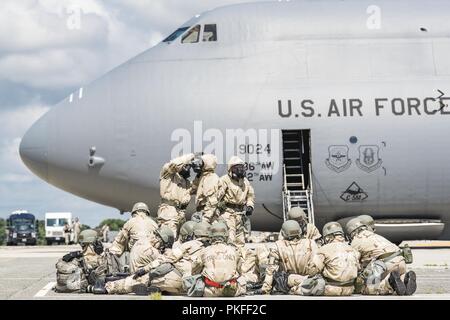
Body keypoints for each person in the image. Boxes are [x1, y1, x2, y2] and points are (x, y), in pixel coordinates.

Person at [346, 218, 417, 296]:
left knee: (369, 289)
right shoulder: (376, 235)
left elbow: (354, 264)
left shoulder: (356, 241)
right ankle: (405, 279)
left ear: (351, 232)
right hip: (401, 261)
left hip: (386, 263)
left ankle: (389, 283)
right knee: (397, 278)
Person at [97, 227, 174, 295]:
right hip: (141, 276)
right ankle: (109, 287)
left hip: (135, 272)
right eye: (163, 244)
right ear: (161, 238)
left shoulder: (141, 241)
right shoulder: (152, 251)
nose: (162, 247)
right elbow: (161, 262)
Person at [261, 220, 318, 295]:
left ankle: (295, 289)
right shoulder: (311, 243)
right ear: (300, 231)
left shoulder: (278, 245)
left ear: (283, 233)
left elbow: (271, 269)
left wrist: (266, 288)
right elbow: (317, 264)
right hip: (309, 280)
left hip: (288, 281)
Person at [307, 222, 360, 296]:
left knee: (305, 284)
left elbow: (312, 271)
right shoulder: (353, 250)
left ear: (328, 238)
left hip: (331, 288)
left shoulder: (324, 249)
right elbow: (358, 268)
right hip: (349, 289)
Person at [195, 222, 247, 297]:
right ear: (226, 235)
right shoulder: (234, 250)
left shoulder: (204, 251)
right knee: (243, 279)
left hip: (210, 291)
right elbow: (241, 269)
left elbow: (194, 269)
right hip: (231, 290)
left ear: (210, 236)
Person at [158, 154, 200, 239]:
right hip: (168, 211)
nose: (188, 169)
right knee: (169, 239)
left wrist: (199, 174)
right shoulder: (168, 176)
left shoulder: (186, 183)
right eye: (186, 166)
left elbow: (195, 187)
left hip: (180, 214)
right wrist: (190, 157)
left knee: (178, 241)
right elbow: (172, 164)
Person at [109, 202, 159, 273]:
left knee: (136, 278)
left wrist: (113, 253)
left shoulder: (130, 222)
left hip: (137, 251)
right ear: (147, 212)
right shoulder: (154, 223)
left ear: (134, 212)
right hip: (152, 252)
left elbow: (119, 242)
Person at [218, 156, 255, 246]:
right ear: (231, 169)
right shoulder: (225, 180)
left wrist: (250, 206)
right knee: (230, 240)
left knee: (240, 241)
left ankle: (239, 259)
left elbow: (250, 195)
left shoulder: (245, 182)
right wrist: (218, 205)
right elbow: (217, 196)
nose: (240, 169)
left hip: (240, 214)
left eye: (242, 167)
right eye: (237, 167)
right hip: (227, 214)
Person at [194, 154, 222, 224]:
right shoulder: (203, 177)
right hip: (204, 211)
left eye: (202, 163)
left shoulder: (211, 178)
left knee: (205, 232)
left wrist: (205, 219)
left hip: (209, 214)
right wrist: (197, 176)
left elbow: (212, 202)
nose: (200, 165)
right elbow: (192, 189)